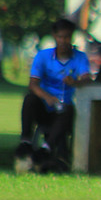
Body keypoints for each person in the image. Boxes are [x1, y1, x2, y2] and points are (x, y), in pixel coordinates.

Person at [15, 17, 92, 173]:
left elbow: (86, 78)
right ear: (54, 37)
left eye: (67, 37)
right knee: (29, 98)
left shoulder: (79, 57)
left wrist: (75, 82)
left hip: (63, 111)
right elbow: (33, 84)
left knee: (69, 110)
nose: (63, 41)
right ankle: (26, 140)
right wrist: (47, 97)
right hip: (44, 107)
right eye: (60, 37)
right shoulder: (43, 56)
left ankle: (46, 148)